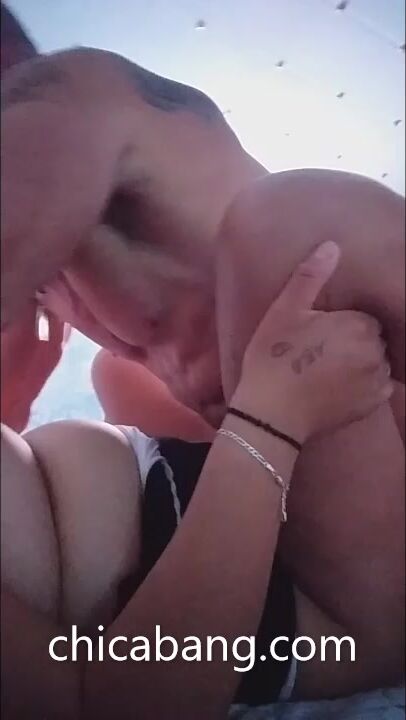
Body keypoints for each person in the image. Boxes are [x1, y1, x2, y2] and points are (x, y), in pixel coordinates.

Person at [2, 243, 396, 719]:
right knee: (289, 242)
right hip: (303, 613)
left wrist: (45, 345)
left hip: (159, 478)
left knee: (117, 368)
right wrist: (270, 422)